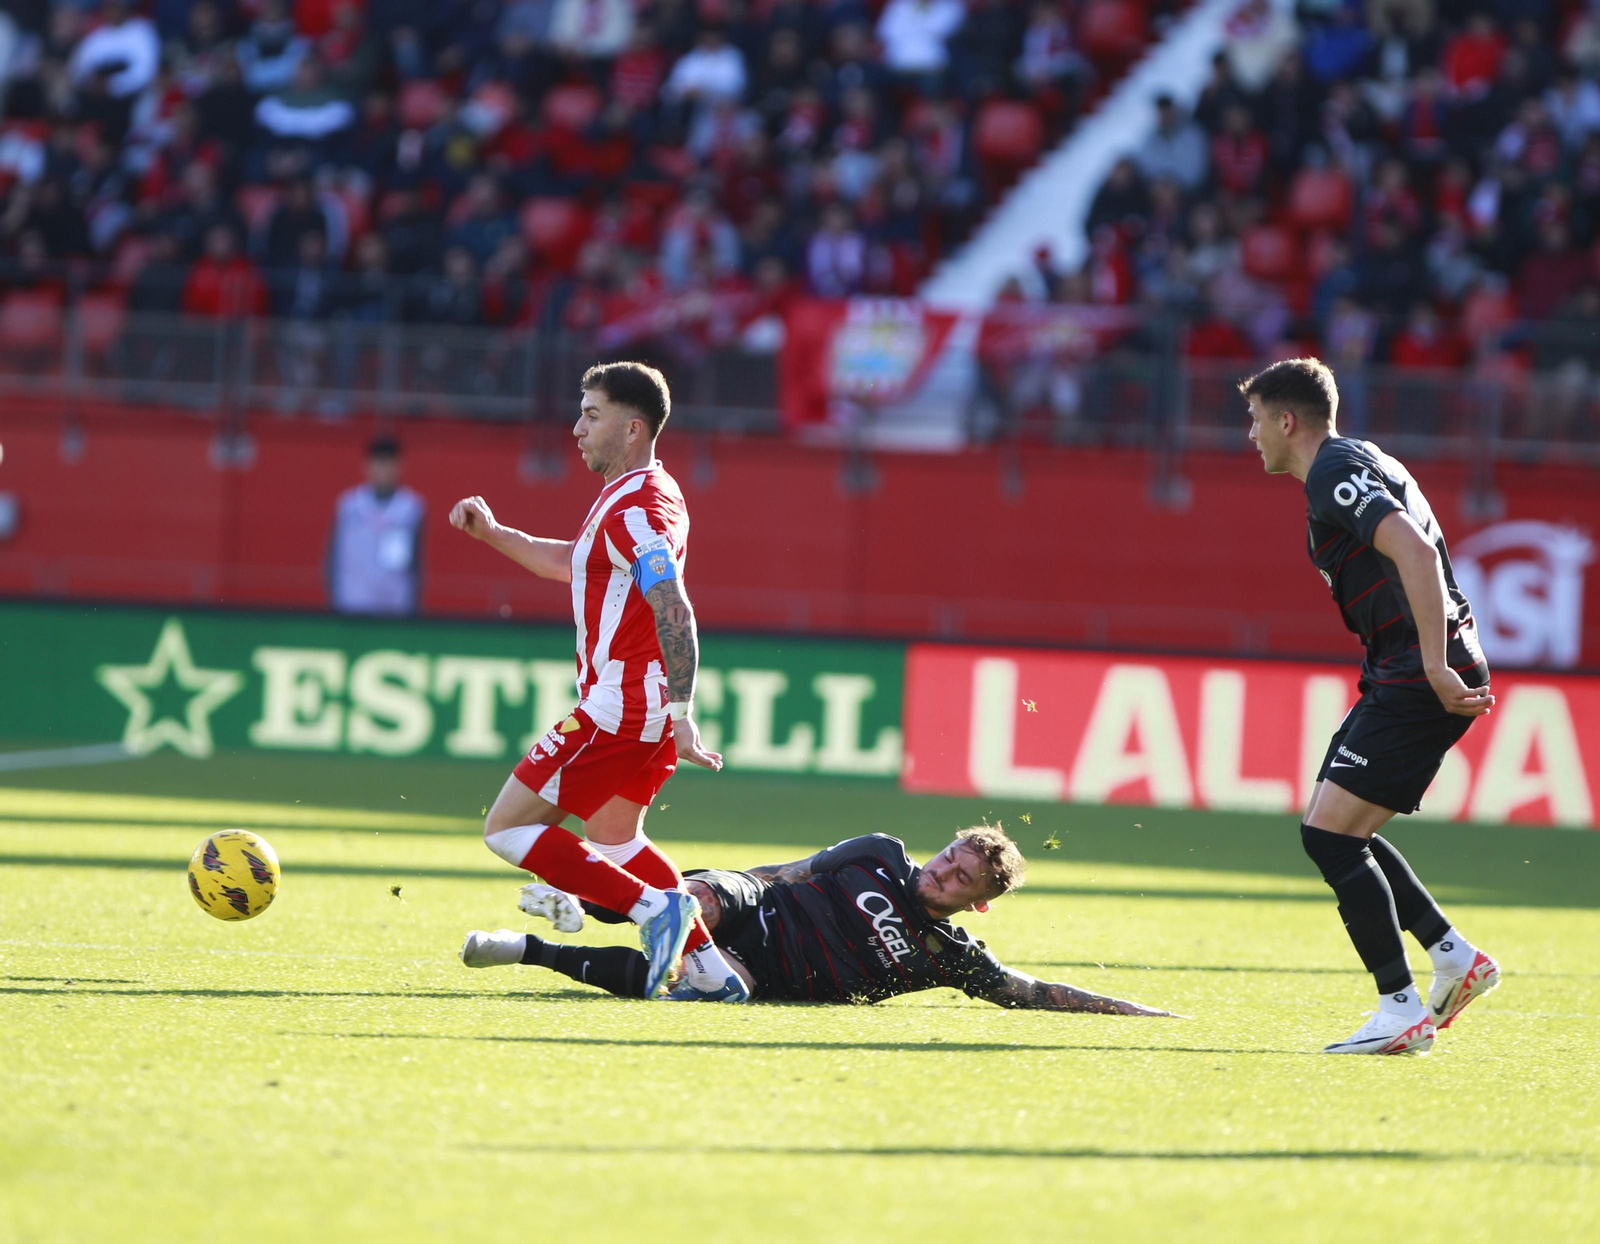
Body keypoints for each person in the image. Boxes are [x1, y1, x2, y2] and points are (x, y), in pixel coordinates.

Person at [448, 362, 745, 1003]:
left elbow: (673, 605)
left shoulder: (638, 509)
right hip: (642, 704)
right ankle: (713, 975)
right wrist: (494, 534)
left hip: (620, 705)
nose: (575, 428)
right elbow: (573, 562)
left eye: (591, 414)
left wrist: (681, 706)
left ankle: (654, 912)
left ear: (632, 427)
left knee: (507, 829)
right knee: (615, 838)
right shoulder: (639, 492)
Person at [1240, 358, 1500, 1056]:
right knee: (1335, 830)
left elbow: (1414, 552)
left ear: (1286, 420)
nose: (1252, 434)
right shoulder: (1364, 459)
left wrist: (1436, 663)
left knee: (1328, 837)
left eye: (1257, 419)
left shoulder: (1332, 472)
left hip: (1417, 674)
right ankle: (1454, 960)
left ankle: (1401, 1009)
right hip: (1401, 671)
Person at [461, 826, 1175, 1014]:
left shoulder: (949, 955)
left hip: (767, 973)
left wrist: (1132, 1011)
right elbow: (789, 873)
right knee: (697, 904)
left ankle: (530, 947)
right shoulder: (880, 854)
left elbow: (1031, 993)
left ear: (978, 902)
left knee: (675, 982)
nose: (942, 872)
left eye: (960, 878)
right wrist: (722, 884)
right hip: (756, 903)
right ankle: (590, 903)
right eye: (948, 857)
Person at [326, 436, 425, 616]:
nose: (383, 470)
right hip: (351, 603)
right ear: (366, 465)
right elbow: (332, 555)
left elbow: (416, 563)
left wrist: (413, 605)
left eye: (389, 463)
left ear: (400, 466)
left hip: (395, 607)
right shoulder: (348, 505)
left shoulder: (411, 508)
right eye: (378, 463)